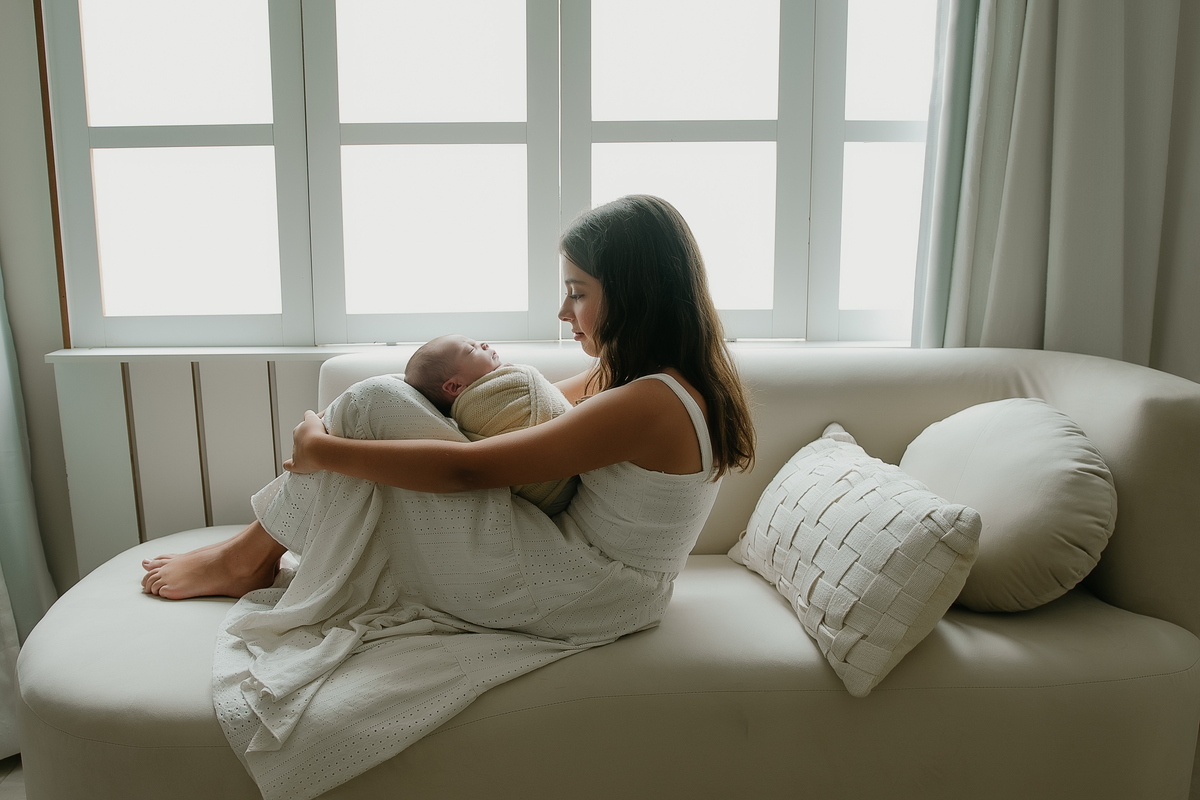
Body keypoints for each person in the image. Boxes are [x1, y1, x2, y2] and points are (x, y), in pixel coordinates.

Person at [140, 195, 756, 800]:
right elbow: (520, 425)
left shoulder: (650, 403)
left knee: (374, 401)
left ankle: (246, 557)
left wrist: (323, 450)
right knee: (379, 401)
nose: (564, 313)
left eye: (577, 292)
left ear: (635, 292)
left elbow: (468, 472)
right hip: (595, 576)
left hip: (584, 587)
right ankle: (252, 549)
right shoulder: (649, 381)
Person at [404, 333, 579, 514]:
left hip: (551, 487)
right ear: (455, 387)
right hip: (551, 480)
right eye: (472, 349)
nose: (484, 344)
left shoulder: (501, 387)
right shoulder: (475, 407)